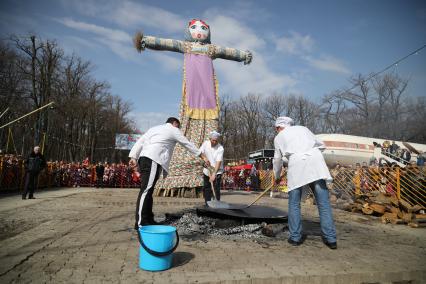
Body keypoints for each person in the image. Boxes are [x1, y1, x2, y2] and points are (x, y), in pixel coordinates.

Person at [128, 117, 210, 229]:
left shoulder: (154, 128)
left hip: (145, 159)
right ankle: (140, 222)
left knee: (149, 190)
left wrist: (133, 157)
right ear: (175, 123)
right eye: (179, 126)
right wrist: (202, 156)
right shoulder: (173, 129)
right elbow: (187, 143)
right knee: (146, 190)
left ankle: (148, 219)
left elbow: (140, 141)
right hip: (152, 159)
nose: (179, 129)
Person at [272, 117, 337, 249]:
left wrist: (277, 176)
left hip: (297, 164)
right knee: (323, 202)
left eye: (276, 129)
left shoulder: (279, 137)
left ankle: (295, 237)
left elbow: (277, 160)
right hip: (316, 160)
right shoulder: (303, 128)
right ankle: (331, 239)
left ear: (278, 128)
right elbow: (321, 145)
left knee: (294, 203)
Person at [199, 131, 224, 205]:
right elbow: (200, 152)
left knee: (216, 189)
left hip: (217, 170)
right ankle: (207, 204)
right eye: (213, 140)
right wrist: (205, 159)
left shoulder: (220, 148)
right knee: (207, 188)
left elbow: (218, 162)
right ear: (210, 139)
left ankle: (217, 204)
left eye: (216, 141)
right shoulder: (205, 143)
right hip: (207, 169)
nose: (214, 142)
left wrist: (214, 174)